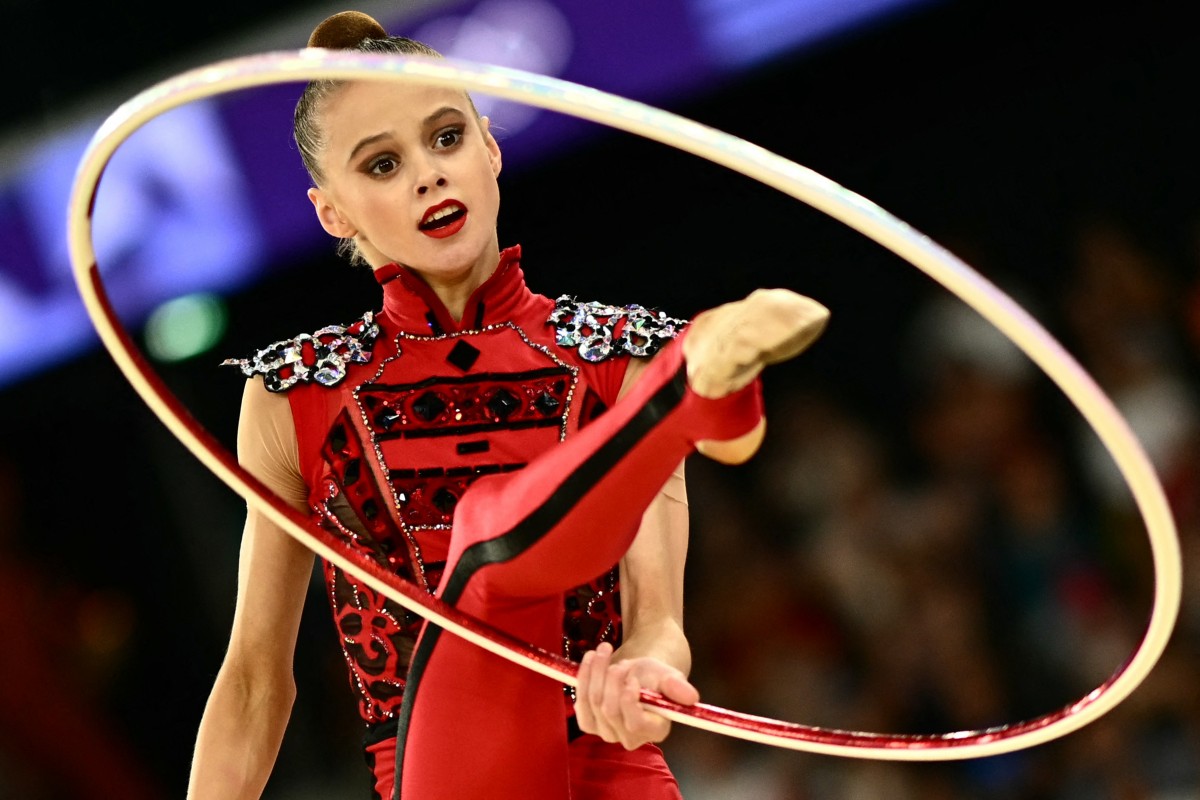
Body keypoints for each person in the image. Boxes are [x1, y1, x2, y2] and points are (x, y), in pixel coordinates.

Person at [187, 10, 829, 799]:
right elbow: (256, 682)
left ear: (491, 147)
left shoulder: (611, 352)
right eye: (383, 165)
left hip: (612, 770)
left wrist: (647, 675)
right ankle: (698, 402)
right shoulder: (301, 394)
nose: (428, 174)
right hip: (451, 771)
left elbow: (657, 619)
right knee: (482, 556)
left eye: (447, 138)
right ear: (334, 213)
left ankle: (693, 403)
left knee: (495, 546)